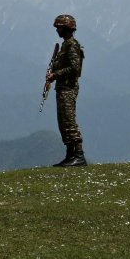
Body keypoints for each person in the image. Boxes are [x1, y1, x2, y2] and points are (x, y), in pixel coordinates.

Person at [47, 14, 87, 167]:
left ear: (66, 28)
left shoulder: (72, 46)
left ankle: (78, 155)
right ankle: (70, 155)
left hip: (68, 88)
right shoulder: (65, 45)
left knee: (69, 121)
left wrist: (56, 74)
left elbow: (74, 68)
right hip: (63, 87)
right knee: (63, 121)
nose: (57, 30)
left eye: (60, 27)